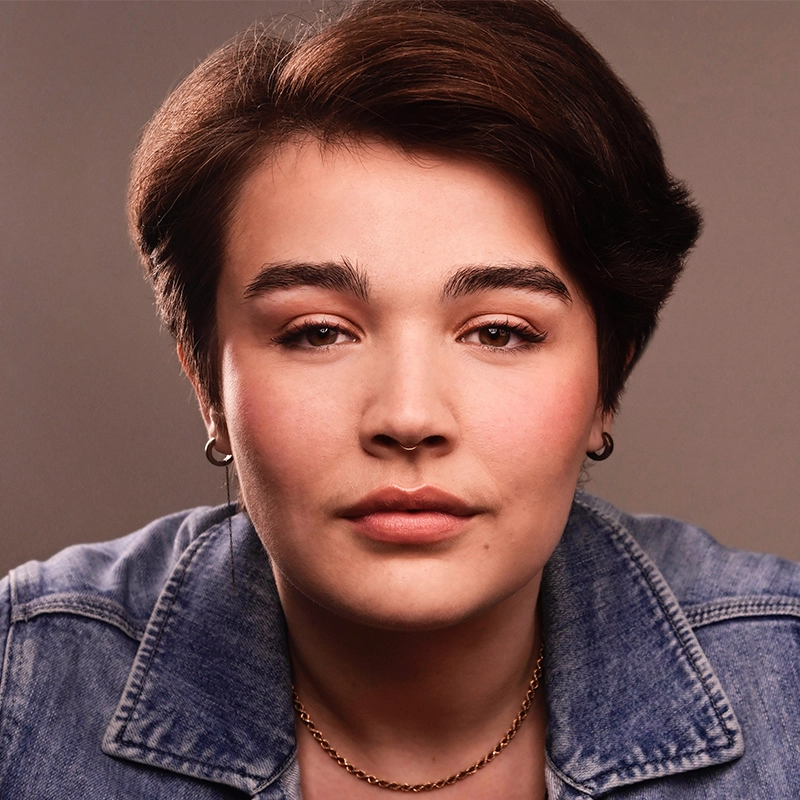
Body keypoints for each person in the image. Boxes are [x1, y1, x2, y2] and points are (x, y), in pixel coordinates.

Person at [1, 1, 798, 798]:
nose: (409, 418)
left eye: (499, 333)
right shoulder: (25, 685)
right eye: (318, 332)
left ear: (607, 384)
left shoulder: (780, 681)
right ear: (206, 382)